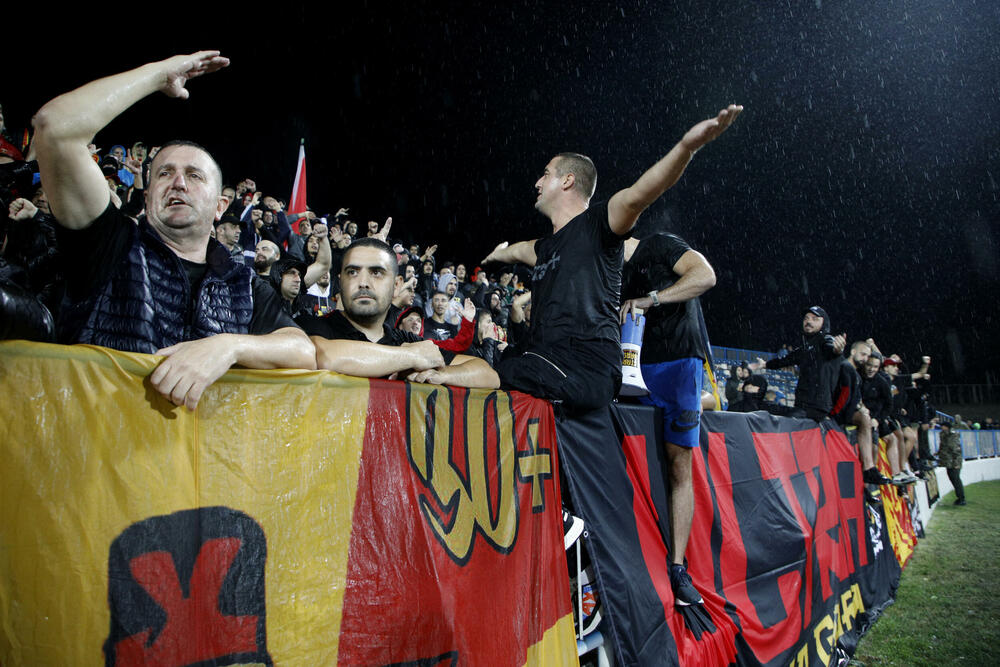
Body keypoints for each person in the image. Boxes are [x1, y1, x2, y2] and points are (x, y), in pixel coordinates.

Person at [31, 51, 316, 410]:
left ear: (219, 206)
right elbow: (54, 127)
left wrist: (229, 346)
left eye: (194, 176)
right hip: (95, 457)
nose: (178, 183)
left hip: (193, 465)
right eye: (164, 173)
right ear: (148, 195)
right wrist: (156, 75)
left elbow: (303, 350)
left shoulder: (241, 282)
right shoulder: (109, 243)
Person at [483, 105, 743, 412]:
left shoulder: (628, 234)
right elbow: (521, 249)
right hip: (602, 362)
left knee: (676, 450)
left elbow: (644, 194)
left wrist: (687, 147)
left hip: (641, 360)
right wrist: (496, 255)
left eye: (544, 175)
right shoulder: (568, 256)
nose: (537, 183)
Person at [619, 230, 717, 608]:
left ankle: (678, 567)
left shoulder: (659, 244)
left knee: (679, 464)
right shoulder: (609, 265)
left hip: (677, 361)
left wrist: (651, 299)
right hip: (630, 364)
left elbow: (705, 276)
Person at [304, 238, 499, 388]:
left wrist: (443, 375)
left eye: (376, 272)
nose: (363, 282)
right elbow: (325, 356)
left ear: (397, 285)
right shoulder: (313, 327)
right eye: (352, 272)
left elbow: (487, 374)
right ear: (340, 281)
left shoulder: (405, 341)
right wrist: (408, 358)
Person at [750, 307, 846, 422]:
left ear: (824, 323)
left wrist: (837, 350)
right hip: (803, 406)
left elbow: (830, 348)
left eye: (815, 319)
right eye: (806, 318)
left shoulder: (825, 339)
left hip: (817, 409)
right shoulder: (805, 348)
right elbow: (785, 360)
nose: (808, 321)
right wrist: (765, 364)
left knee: (785, 423)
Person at [936, 422, 965, 505]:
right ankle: (959, 498)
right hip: (948, 461)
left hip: (954, 461)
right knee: (952, 478)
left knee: (956, 479)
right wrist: (938, 453)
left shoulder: (953, 435)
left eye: (943, 426)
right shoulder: (943, 434)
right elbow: (942, 446)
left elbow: (956, 450)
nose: (941, 428)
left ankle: (961, 498)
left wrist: (957, 463)